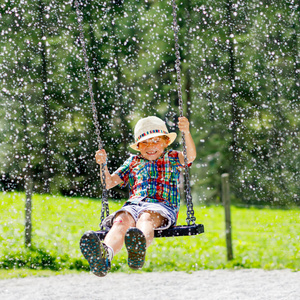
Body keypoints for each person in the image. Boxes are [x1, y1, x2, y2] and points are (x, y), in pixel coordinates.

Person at [80, 116, 196, 277]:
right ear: (138, 146)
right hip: (134, 205)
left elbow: (190, 157)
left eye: (155, 141)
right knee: (120, 220)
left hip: (162, 206)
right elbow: (108, 182)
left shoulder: (173, 157)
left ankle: (138, 246)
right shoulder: (132, 162)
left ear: (165, 142)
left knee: (146, 218)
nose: (150, 147)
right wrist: (102, 165)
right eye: (145, 143)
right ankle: (104, 256)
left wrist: (186, 132)